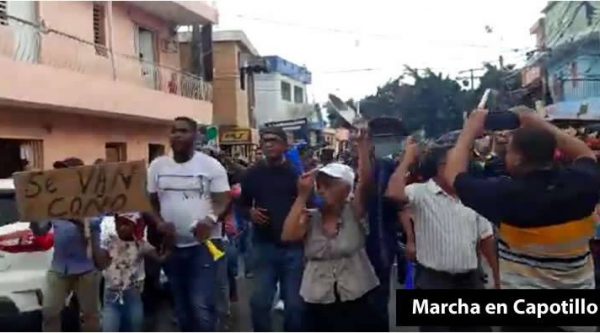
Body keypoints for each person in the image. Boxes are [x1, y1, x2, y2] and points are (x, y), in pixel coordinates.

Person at [445, 108, 600, 292]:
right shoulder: (582, 183)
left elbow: (453, 175)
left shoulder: (506, 195)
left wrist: (469, 130)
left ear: (518, 159)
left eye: (509, 152)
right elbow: (585, 154)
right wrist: (539, 123)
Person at [386, 140, 499, 331]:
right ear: (440, 168)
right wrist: (407, 159)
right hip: (434, 282)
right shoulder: (421, 193)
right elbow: (393, 194)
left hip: (470, 282)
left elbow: (486, 238)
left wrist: (497, 278)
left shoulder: (472, 195)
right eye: (456, 162)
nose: (462, 168)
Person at [282, 129, 379, 332]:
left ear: (346, 190)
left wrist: (362, 146)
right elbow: (288, 235)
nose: (321, 190)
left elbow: (366, 183)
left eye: (328, 186)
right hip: (318, 296)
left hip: (356, 292)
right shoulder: (309, 216)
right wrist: (301, 196)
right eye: (319, 185)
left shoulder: (354, 212)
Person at [147, 117, 231, 332]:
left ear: (195, 136)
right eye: (174, 131)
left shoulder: (211, 166)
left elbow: (223, 200)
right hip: (172, 246)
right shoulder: (157, 166)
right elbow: (149, 202)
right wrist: (159, 223)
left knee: (201, 304)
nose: (177, 135)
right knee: (181, 305)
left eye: (183, 131)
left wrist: (210, 220)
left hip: (206, 245)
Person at [239, 127, 306, 331]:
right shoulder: (253, 173)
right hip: (263, 246)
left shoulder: (296, 174)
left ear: (285, 145)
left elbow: (309, 204)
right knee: (259, 303)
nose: (268, 144)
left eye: (274, 140)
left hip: (293, 248)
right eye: (265, 140)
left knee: (294, 306)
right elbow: (241, 204)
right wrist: (249, 213)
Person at [30, 157, 102, 332]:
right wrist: (32, 217)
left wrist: (70, 216)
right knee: (49, 311)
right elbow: (41, 230)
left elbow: (94, 224)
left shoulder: (91, 199)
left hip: (86, 267)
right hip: (60, 266)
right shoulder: (53, 200)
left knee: (90, 315)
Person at [94, 213, 169, 332]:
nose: (122, 227)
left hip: (133, 295)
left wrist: (168, 236)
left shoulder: (140, 244)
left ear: (134, 225)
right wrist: (94, 232)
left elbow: (161, 257)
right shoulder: (109, 240)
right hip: (111, 296)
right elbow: (99, 263)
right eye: (119, 223)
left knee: (134, 327)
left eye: (127, 224)